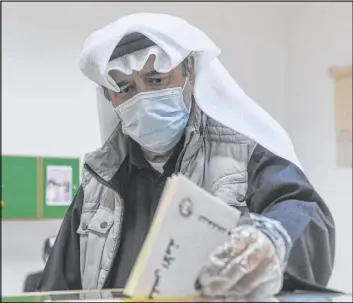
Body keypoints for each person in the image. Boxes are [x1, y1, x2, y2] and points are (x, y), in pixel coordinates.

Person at [38, 13, 335, 299]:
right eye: (126, 89)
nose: (141, 99)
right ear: (110, 98)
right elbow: (55, 289)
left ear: (188, 71)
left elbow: (304, 213)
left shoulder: (243, 154)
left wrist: (269, 242)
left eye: (156, 80)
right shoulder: (99, 182)